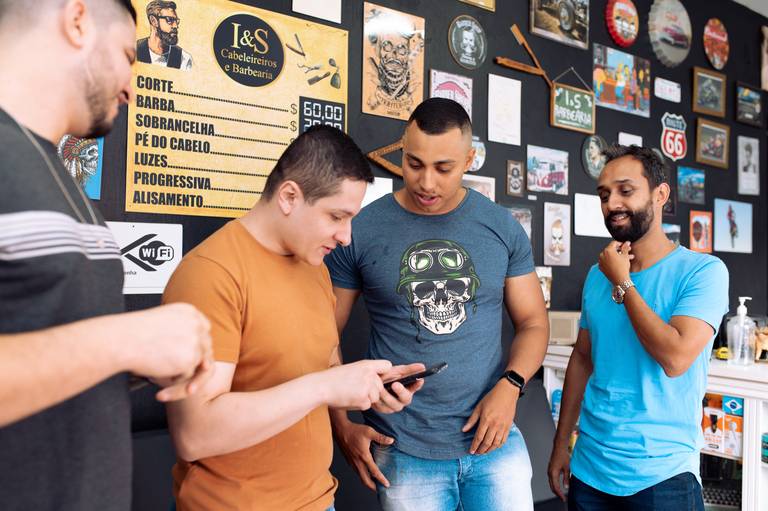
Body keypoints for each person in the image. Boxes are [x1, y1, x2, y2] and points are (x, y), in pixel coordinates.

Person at [0, 1, 213, 509]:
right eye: (126, 56)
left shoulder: (55, 171)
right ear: (77, 21)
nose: (132, 88)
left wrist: (143, 358)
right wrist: (125, 341)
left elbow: (51, 347)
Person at [162, 124, 424, 511]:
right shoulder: (211, 274)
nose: (346, 236)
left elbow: (324, 360)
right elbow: (195, 435)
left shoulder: (314, 266)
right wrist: (325, 387)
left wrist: (368, 388)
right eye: (336, 216)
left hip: (318, 500)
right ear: (289, 197)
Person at [326, 98, 549, 511]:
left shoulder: (501, 227)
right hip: (402, 446)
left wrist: (511, 386)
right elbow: (322, 334)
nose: (426, 182)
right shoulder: (360, 229)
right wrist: (341, 426)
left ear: (469, 160)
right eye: (414, 163)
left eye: (443, 168)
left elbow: (534, 322)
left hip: (494, 440)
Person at [547, 145, 729, 510]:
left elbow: (675, 358)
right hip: (589, 469)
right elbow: (582, 358)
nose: (612, 203)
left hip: (662, 476)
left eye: (625, 191)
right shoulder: (597, 276)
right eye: (604, 195)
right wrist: (560, 443)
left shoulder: (703, 271)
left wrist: (623, 282)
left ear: (660, 195)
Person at [136, 0, 193, 70]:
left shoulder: (184, 59)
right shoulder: (133, 50)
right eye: (170, 20)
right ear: (153, 21)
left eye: (176, 21)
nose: (175, 26)